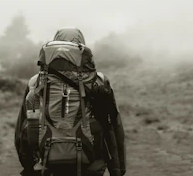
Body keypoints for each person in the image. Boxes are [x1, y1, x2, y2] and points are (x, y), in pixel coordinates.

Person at [15, 27, 126, 176]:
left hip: (47, 164)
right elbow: (113, 125)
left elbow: (23, 128)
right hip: (91, 165)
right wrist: (118, 170)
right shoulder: (97, 81)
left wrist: (29, 165)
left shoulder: (35, 83)